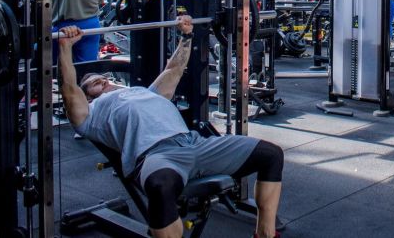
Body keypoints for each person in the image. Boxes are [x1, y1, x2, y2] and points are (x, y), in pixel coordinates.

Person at [58, 18, 283, 238]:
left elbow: (174, 69)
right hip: (157, 155)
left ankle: (264, 233)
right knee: (160, 185)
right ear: (87, 97)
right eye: (95, 84)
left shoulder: (145, 92)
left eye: (104, 78)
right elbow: (69, 89)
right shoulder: (93, 113)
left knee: (271, 155)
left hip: (196, 143)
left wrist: (186, 35)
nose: (103, 82)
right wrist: (66, 48)